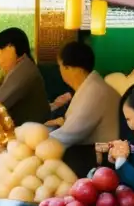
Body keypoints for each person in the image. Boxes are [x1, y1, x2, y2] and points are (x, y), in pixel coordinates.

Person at [47, 41, 121, 175]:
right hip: (94, 153)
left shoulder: (95, 91)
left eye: (60, 66)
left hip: (102, 161)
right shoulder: (91, 87)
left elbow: (70, 134)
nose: (60, 71)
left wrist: (35, 142)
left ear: (70, 68)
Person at [0, 28, 49, 126]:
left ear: (12, 48)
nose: (0, 61)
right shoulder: (23, 66)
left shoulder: (23, 71)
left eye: (1, 52)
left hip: (32, 130)